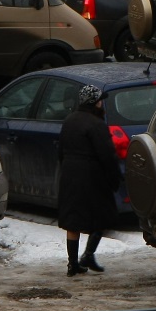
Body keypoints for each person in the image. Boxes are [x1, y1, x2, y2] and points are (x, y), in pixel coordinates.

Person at [57, 84, 121, 277]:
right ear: (95, 103)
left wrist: (65, 168)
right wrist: (114, 178)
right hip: (92, 176)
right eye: (101, 100)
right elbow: (107, 155)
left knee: (72, 220)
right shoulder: (96, 124)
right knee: (103, 214)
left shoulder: (69, 120)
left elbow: (61, 150)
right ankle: (88, 255)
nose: (102, 104)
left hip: (69, 174)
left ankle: (72, 264)